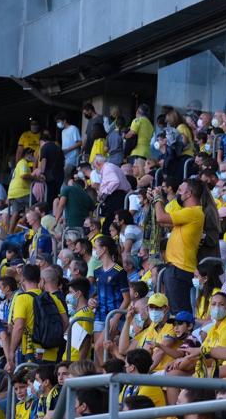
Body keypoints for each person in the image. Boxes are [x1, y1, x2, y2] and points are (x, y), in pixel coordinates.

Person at [151, 178, 205, 314]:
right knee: (174, 312)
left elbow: (161, 218)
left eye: (181, 191)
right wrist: (156, 201)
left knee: (180, 313)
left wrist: (158, 198)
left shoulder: (193, 212)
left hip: (180, 268)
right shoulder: (189, 212)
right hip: (175, 267)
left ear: (189, 193)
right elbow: (163, 223)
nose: (178, 194)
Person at [7, 264, 68, 370]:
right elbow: (66, 322)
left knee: (33, 384)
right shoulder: (52, 297)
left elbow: (19, 327)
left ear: (22, 279)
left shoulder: (22, 298)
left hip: (33, 353)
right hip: (53, 352)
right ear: (40, 279)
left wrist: (11, 351)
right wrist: (51, 336)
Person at [91, 235, 130, 367]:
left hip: (112, 316)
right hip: (99, 315)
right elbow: (98, 293)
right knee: (98, 354)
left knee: (99, 347)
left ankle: (110, 376)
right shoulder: (97, 271)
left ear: (104, 249)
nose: (95, 251)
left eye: (96, 247)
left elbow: (127, 299)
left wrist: (116, 317)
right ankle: (106, 379)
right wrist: (92, 300)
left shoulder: (119, 271)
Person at [94, 155, 132, 235]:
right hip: (119, 196)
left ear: (97, 163)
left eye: (94, 166)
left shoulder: (107, 168)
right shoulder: (113, 167)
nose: (95, 169)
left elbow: (115, 181)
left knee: (108, 225)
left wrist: (104, 192)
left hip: (116, 197)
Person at [37, 131, 65, 210]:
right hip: (60, 175)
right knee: (57, 196)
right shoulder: (58, 147)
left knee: (49, 196)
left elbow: (43, 160)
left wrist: (42, 173)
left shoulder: (44, 147)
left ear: (43, 141)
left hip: (50, 176)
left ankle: (49, 213)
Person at [56, 112, 82, 180]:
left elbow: (79, 143)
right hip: (65, 158)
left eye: (59, 121)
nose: (58, 124)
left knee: (64, 176)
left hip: (73, 158)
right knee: (67, 178)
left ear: (64, 120)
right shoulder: (63, 131)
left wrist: (67, 150)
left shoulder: (73, 128)